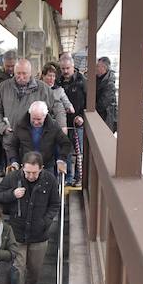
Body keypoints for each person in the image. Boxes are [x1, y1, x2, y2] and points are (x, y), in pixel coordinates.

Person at [0, 151, 61, 284]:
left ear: (42, 169)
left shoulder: (49, 180)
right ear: (22, 167)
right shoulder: (13, 177)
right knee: (18, 270)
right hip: (17, 234)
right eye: (27, 172)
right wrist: (12, 194)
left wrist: (45, 222)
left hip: (39, 236)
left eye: (34, 172)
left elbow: (55, 205)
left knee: (35, 271)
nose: (30, 176)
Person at [0, 58, 61, 167]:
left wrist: (62, 126)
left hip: (35, 140)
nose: (21, 77)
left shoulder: (42, 88)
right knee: (13, 174)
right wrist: (2, 127)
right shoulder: (4, 87)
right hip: (11, 138)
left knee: (35, 174)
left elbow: (57, 106)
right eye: (18, 73)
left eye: (24, 73)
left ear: (31, 73)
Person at [4, 100, 71, 175]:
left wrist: (61, 159)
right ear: (30, 114)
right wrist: (14, 161)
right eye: (33, 118)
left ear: (45, 116)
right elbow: (12, 145)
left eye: (39, 119)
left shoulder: (53, 126)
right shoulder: (20, 125)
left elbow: (66, 144)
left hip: (47, 166)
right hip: (27, 167)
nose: (36, 122)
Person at [59, 54, 86, 186]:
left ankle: (79, 177)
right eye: (63, 68)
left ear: (73, 67)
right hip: (63, 123)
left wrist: (82, 116)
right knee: (66, 151)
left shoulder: (82, 81)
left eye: (67, 68)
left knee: (79, 152)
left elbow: (89, 103)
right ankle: (68, 177)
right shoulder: (58, 81)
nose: (65, 71)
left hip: (78, 122)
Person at [40, 62, 74, 130]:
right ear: (43, 76)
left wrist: (69, 107)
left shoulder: (59, 90)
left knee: (59, 106)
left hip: (57, 120)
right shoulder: (38, 89)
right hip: (41, 119)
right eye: (49, 76)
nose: (52, 78)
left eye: (53, 76)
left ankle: (62, 136)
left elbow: (68, 104)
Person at [96, 56, 117, 132]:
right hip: (102, 118)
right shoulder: (99, 79)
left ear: (104, 67)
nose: (96, 68)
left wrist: (91, 105)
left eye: (98, 66)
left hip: (107, 119)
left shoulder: (109, 83)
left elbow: (102, 104)